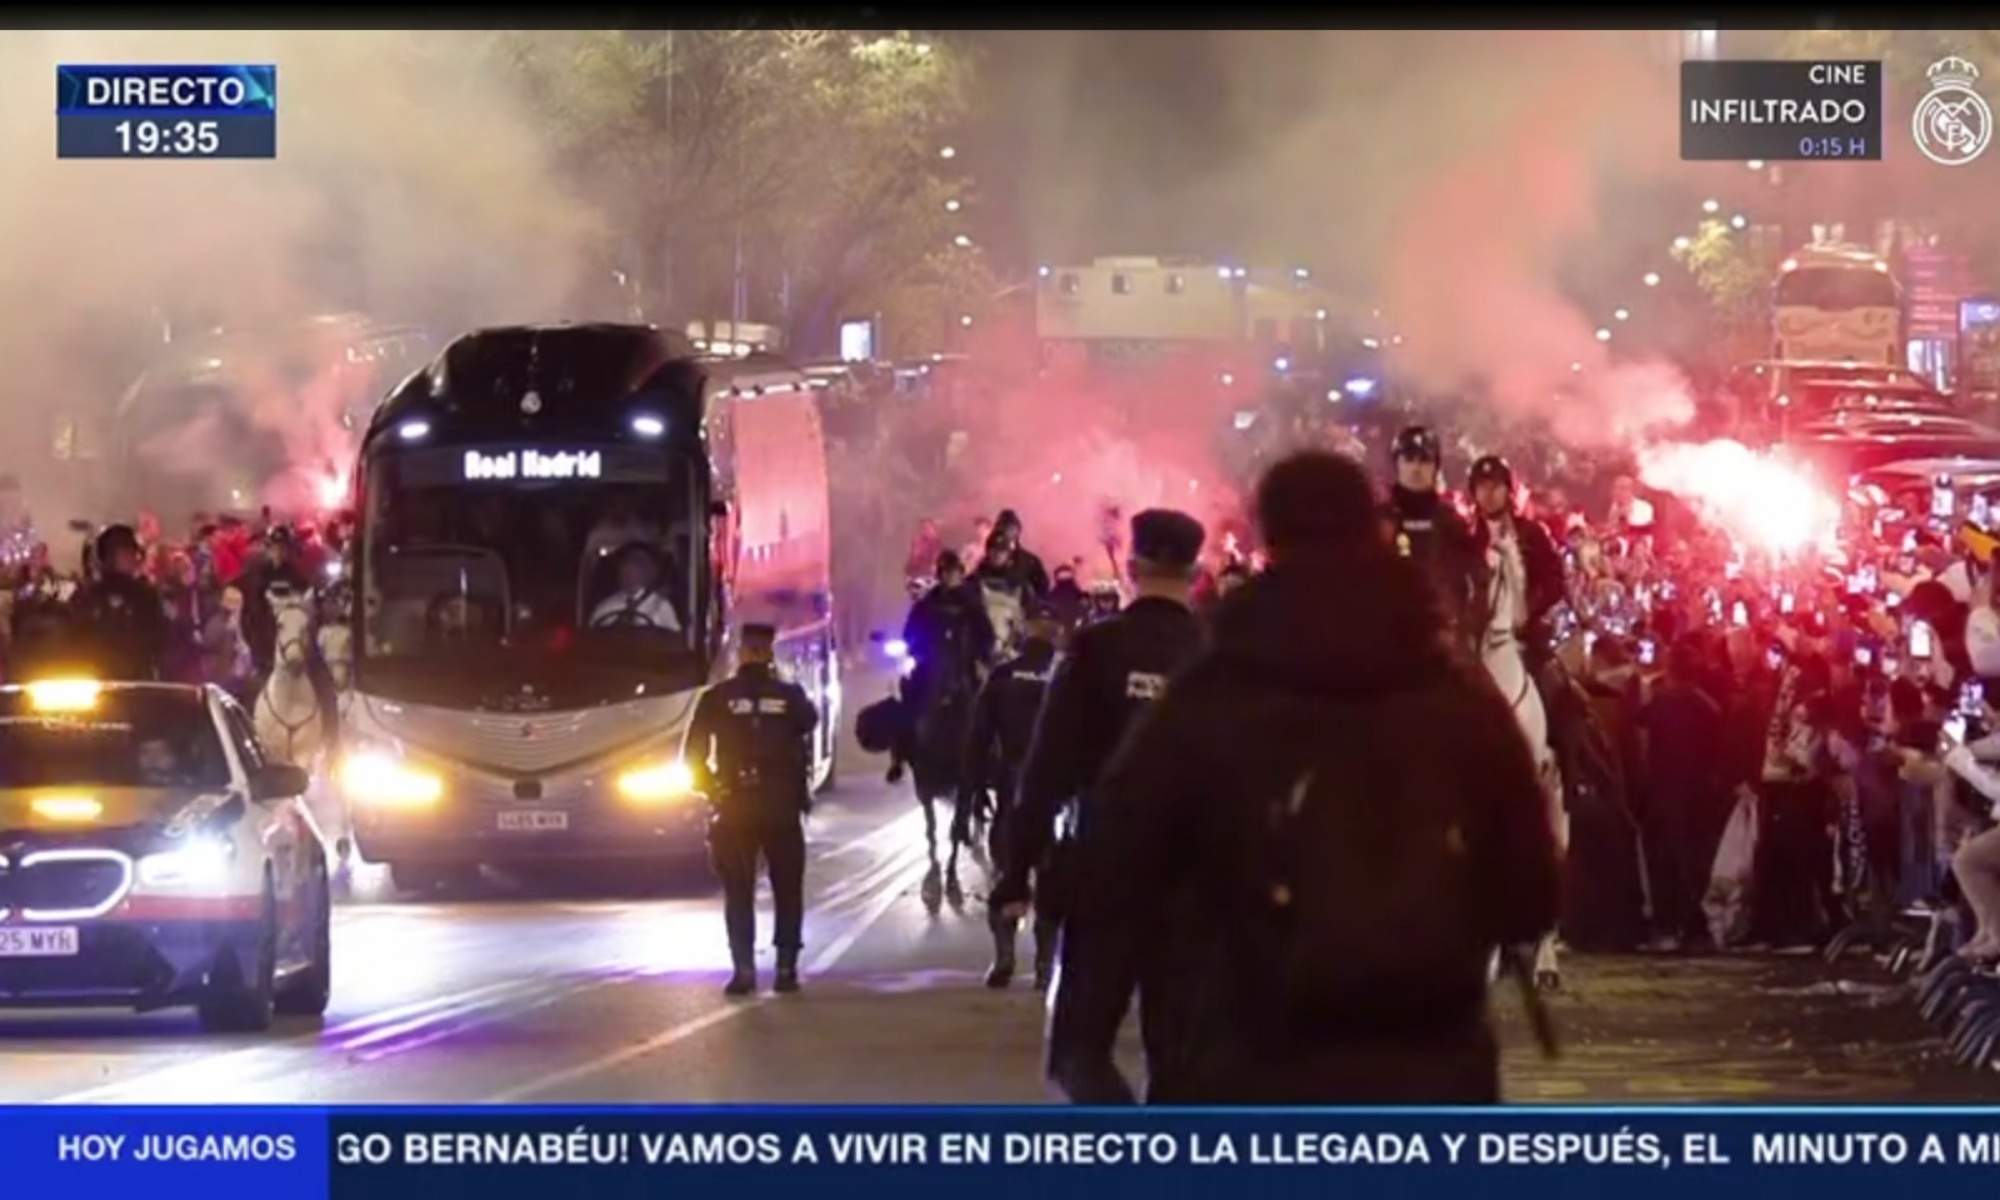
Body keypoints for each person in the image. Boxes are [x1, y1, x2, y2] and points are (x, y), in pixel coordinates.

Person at [1044, 452, 1559, 1104]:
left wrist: (1086, 1042)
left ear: (1268, 538)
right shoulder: (1454, 698)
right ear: (1372, 529)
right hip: (1424, 1069)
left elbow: (1117, 868)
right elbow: (1532, 891)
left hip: (1246, 1065)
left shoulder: (1209, 697)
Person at [990, 508, 1208, 950]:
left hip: (1103, 871)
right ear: (1197, 573)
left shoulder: (1095, 649)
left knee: (1083, 1015)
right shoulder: (1216, 652)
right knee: (1179, 1017)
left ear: (1131, 569)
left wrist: (1016, 872)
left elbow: (1047, 767)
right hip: (1194, 883)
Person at [685, 622, 819, 997]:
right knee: (787, 889)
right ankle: (786, 968)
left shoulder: (716, 698)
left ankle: (743, 970)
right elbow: (809, 723)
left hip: (735, 806)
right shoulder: (790, 697)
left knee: (738, 890)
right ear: (770, 653)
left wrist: (713, 788)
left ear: (740, 653)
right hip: (781, 806)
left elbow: (691, 756)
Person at [961, 604, 1063, 989]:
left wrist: (970, 794)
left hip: (1014, 791)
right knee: (1053, 880)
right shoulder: (1069, 674)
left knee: (1007, 874)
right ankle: (1044, 963)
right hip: (1059, 795)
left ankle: (1005, 955)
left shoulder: (1003, 676)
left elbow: (978, 738)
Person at [898, 550, 995, 878]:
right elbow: (909, 636)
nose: (949, 577)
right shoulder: (926, 605)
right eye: (945, 571)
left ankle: (988, 768)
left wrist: (982, 657)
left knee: (987, 711)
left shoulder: (971, 605)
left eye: (953, 571)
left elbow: (987, 638)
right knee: (906, 702)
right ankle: (900, 755)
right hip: (931, 672)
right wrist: (915, 653)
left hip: (962, 672)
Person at [1383, 425, 1483, 645]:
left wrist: (1466, 626)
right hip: (1387, 640)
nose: (1416, 468)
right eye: (1408, 459)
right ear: (1396, 464)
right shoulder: (1378, 521)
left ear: (1436, 467)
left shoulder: (1452, 523)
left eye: (1424, 460)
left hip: (1442, 640)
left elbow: (1477, 580)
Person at [1467, 454, 1566, 666]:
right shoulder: (1468, 541)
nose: (1489, 494)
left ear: (1508, 490)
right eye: (1482, 487)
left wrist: (1531, 609)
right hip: (1483, 642)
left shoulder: (1532, 534)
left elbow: (1555, 581)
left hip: (1528, 639)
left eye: (1496, 486)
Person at [65, 525, 169, 682]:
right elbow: (74, 638)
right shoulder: (88, 595)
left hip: (137, 680)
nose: (131, 559)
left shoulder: (145, 595)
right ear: (107, 556)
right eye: (123, 554)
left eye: (132, 553)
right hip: (93, 679)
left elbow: (158, 637)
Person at [589, 543, 683, 632]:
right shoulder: (605, 606)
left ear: (649, 572)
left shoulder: (662, 605)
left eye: (636, 565)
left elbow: (674, 640)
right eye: (624, 570)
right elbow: (591, 639)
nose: (628, 574)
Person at [993, 508, 1052, 598]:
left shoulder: (1030, 561)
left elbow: (1042, 589)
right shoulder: (989, 560)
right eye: (1003, 528)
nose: (1007, 532)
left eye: (1010, 528)